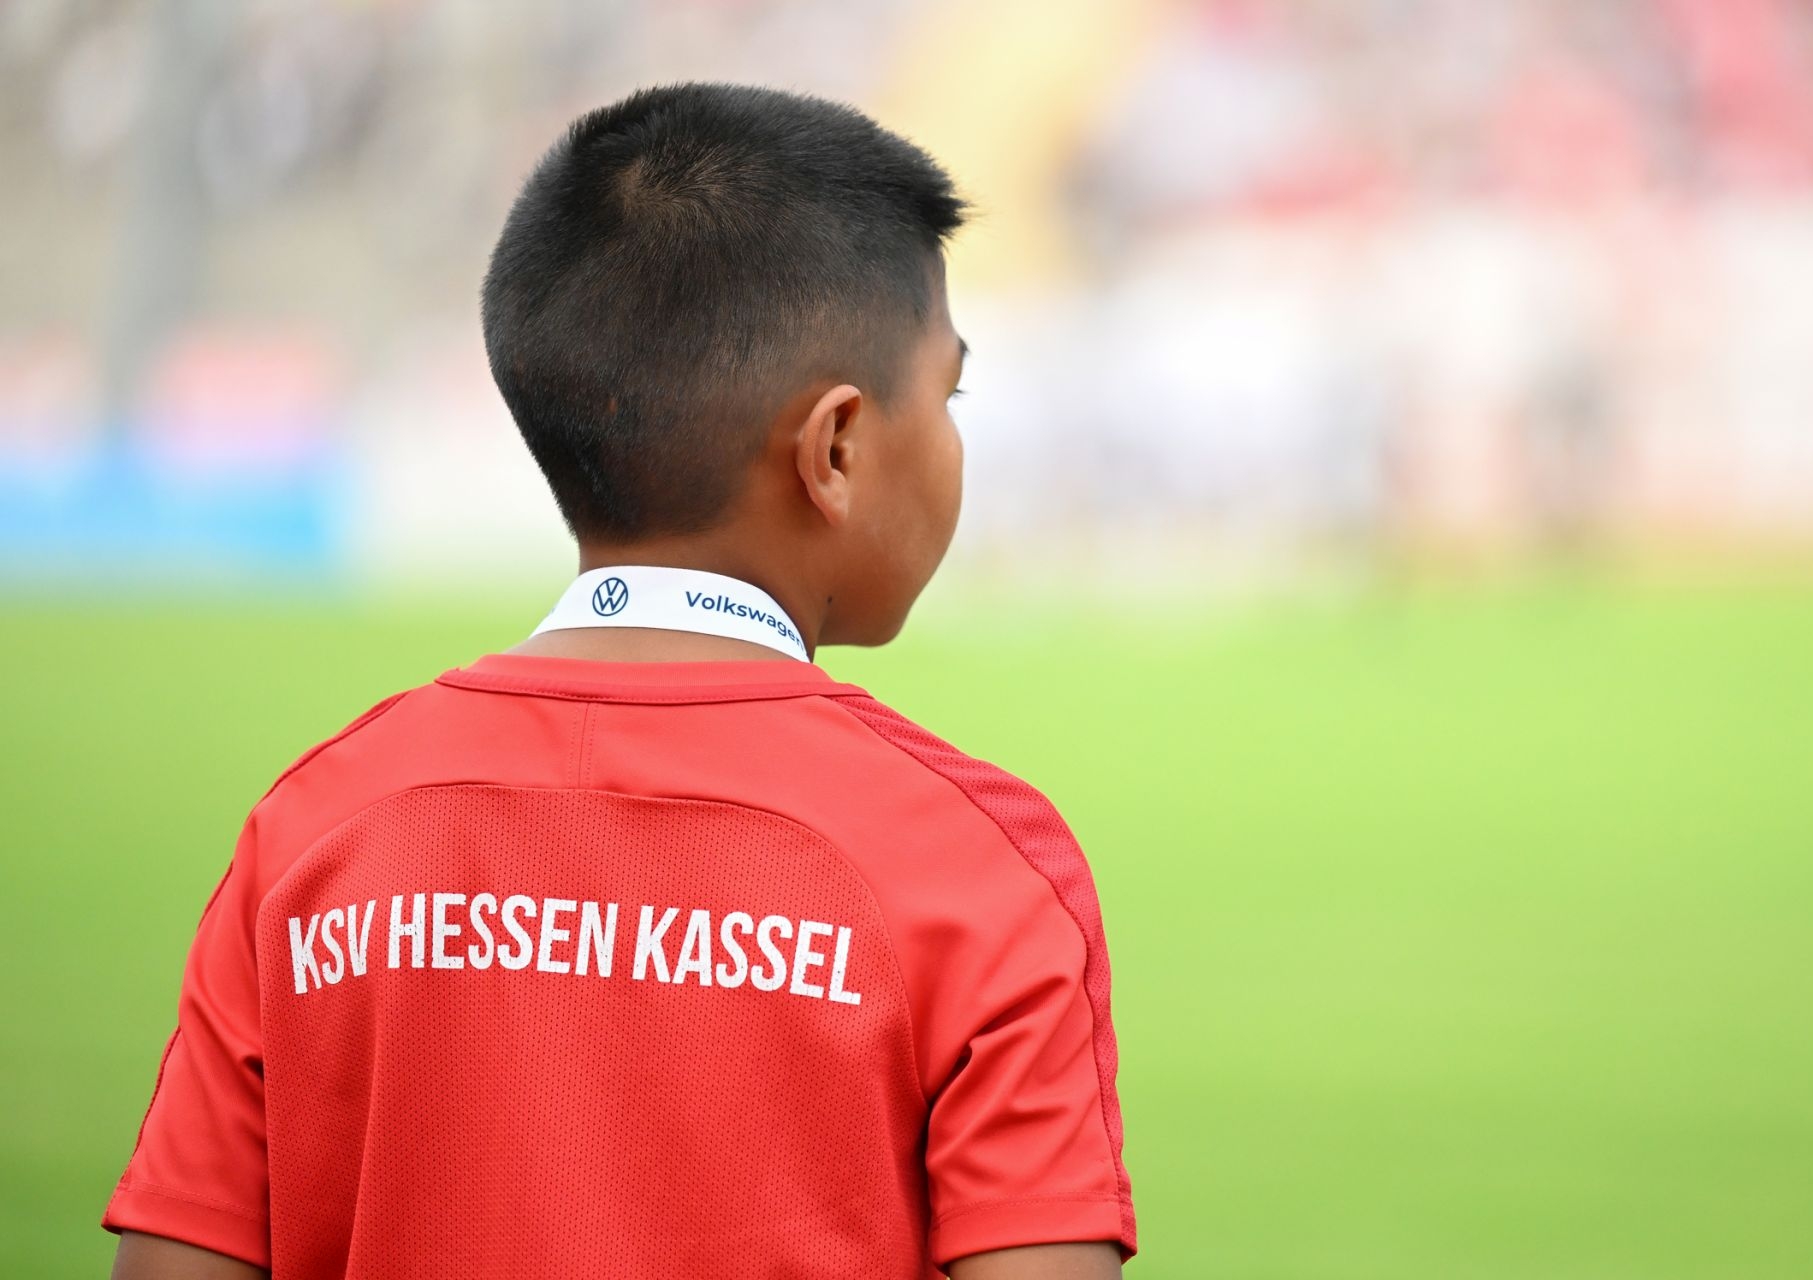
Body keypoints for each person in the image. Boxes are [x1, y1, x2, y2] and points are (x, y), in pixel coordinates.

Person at [102, 81, 1135, 1280]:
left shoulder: (313, 830)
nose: (955, 437)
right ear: (837, 446)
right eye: (948, 394)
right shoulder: (979, 862)